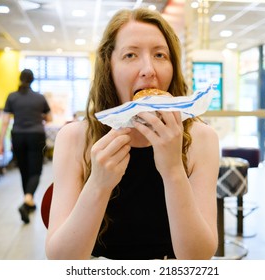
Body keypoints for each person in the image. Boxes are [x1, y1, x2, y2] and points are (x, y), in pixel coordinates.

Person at [45, 8, 219, 260]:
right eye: (130, 55)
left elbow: (198, 259)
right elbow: (62, 261)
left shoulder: (201, 139)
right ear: (109, 68)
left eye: (160, 54)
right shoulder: (75, 138)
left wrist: (172, 170)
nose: (149, 69)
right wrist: (99, 183)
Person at [0, 69, 52, 224]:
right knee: (35, 171)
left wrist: (1, 142)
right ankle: (28, 199)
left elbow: (5, 122)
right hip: (36, 135)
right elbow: (49, 118)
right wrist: (37, 116)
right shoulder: (40, 98)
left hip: (18, 136)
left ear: (20, 79)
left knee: (24, 170)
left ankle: (30, 203)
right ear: (33, 80)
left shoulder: (12, 97)